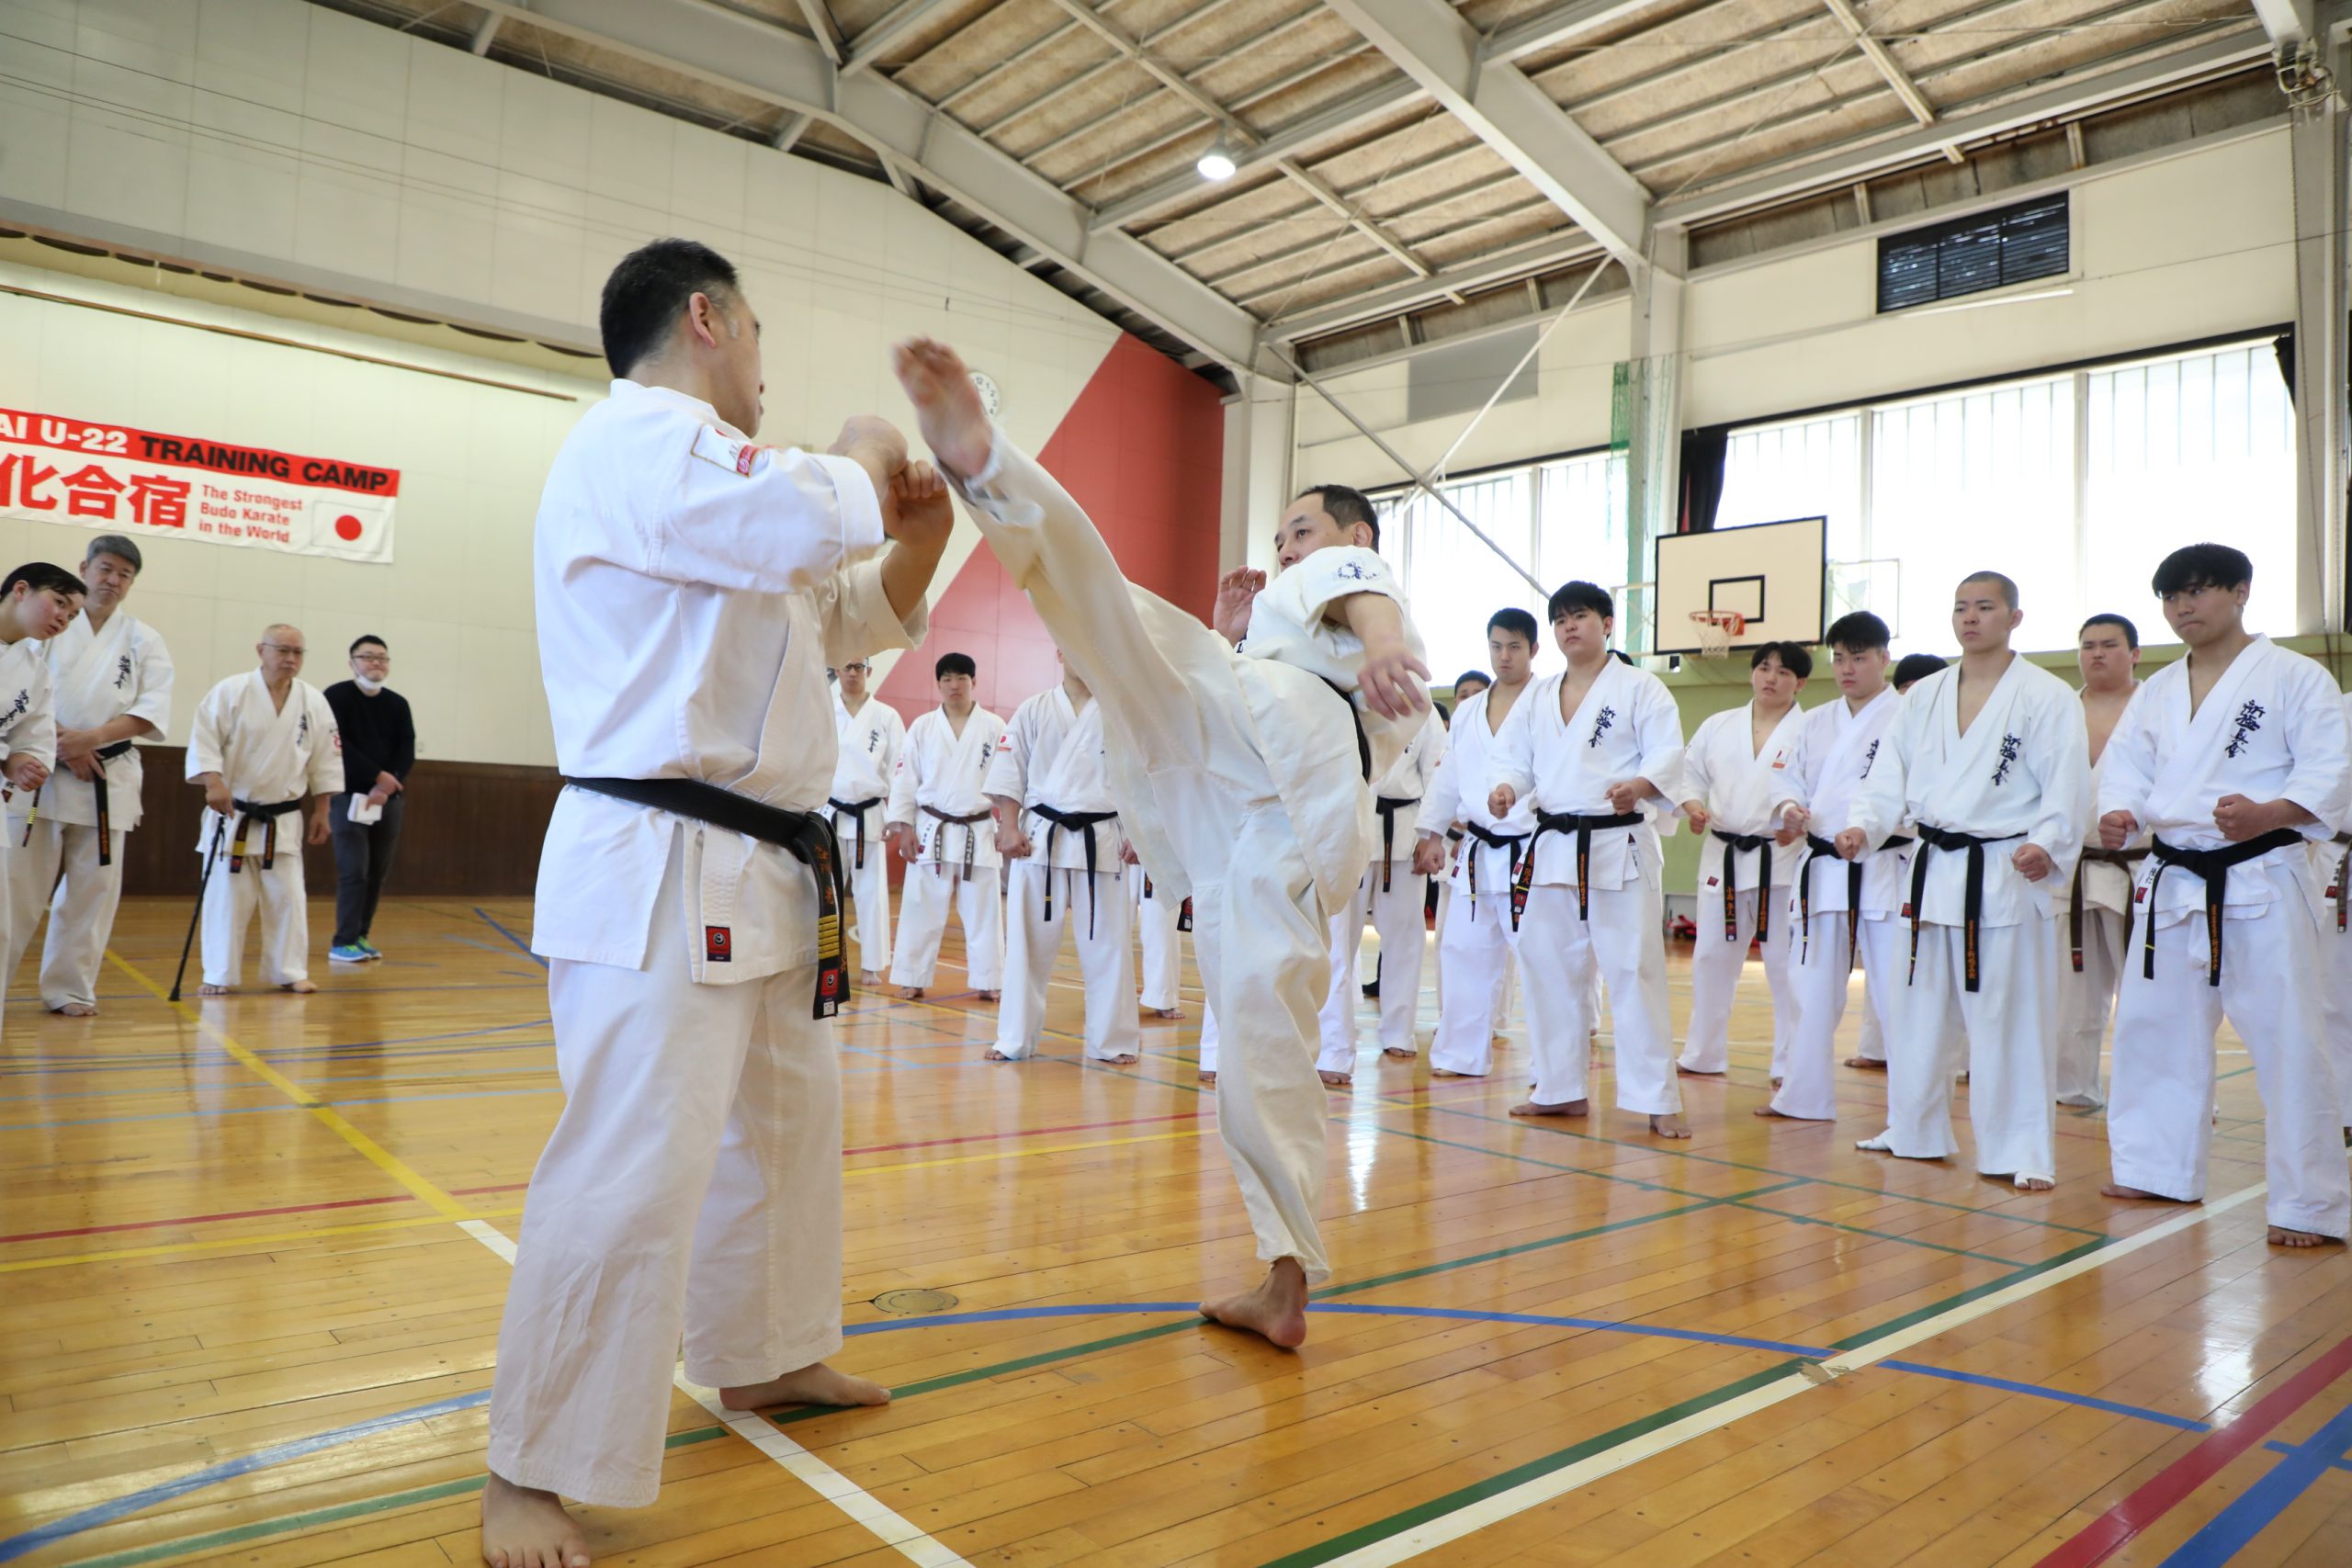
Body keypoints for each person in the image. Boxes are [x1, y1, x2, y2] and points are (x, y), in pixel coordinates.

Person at [481, 239, 945, 1568]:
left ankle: (769, 1351)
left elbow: (839, 615)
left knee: (786, 1134)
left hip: (769, 864)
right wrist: (867, 447)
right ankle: (531, 1465)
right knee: (632, 1164)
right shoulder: (643, 442)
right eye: (755, 335)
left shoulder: (719, 500)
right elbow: (808, 516)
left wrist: (919, 535)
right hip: (659, 855)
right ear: (706, 318)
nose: (762, 366)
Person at [895, 335, 1427, 1349]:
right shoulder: (1286, 625)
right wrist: (1230, 638)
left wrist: (1386, 638)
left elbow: (1364, 593)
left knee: (1118, 620)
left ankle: (989, 467)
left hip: (1279, 771)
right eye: (1283, 533)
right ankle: (1285, 1275)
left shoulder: (1355, 584)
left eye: (1302, 529)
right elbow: (1286, 646)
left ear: (1352, 533)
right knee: (1257, 1039)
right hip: (1252, 818)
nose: (1288, 547)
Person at [2098, 543, 2351, 1247]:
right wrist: (2120, 813)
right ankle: (2154, 1167)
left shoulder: (2295, 676)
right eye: (2171, 595)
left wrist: (2271, 812)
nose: (2183, 606)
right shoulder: (2155, 691)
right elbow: (2126, 770)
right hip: (2173, 878)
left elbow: (2330, 769)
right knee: (2152, 1029)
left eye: (2199, 590)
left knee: (2290, 1039)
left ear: (2240, 591)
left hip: (2261, 875)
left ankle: (2309, 1202)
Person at [1840, 571, 2088, 1190]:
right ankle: (1913, 1129)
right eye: (1960, 608)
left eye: (1984, 607)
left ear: (2014, 617)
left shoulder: (2046, 695)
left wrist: (2048, 842)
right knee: (1916, 1011)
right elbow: (1888, 775)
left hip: (2002, 870)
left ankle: (2020, 1149)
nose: (1970, 618)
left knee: (2009, 1018)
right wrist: (1864, 826)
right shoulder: (1923, 695)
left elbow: (2067, 782)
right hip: (1931, 870)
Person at [1487, 583, 1687, 1136]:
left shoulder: (1640, 688)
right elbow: (1514, 758)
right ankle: (1558, 1089)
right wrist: (1506, 788)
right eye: (1560, 620)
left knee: (1633, 970)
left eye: (1579, 616)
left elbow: (1667, 753)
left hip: (1617, 844)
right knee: (1547, 969)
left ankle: (1657, 1098)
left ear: (1607, 623)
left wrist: (1640, 786)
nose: (1569, 626)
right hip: (1553, 845)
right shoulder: (1537, 695)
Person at [3, 539, 168, 1017]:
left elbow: (152, 709)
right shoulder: (43, 624)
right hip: (38, 770)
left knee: (92, 893)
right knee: (18, 891)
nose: (113, 580)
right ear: (85, 568)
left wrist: (89, 740)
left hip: (106, 776)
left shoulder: (143, 640)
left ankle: (70, 988)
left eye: (125, 574)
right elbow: (26, 697)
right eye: (106, 568)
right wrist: (64, 745)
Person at [1764, 612, 1907, 1122]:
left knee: (1896, 990)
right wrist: (1789, 809)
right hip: (1824, 865)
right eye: (1840, 658)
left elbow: (1917, 792)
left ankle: (1911, 1115)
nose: (1847, 669)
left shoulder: (1907, 716)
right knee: (1809, 985)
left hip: (1885, 864)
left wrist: (1869, 829)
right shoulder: (1815, 721)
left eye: (1859, 658)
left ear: (1884, 658)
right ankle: (1802, 1096)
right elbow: (1786, 780)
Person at [985, 653, 1137, 1065]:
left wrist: (1142, 836)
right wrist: (1008, 826)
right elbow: (1010, 770)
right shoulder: (1032, 709)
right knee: (1026, 945)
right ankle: (1014, 1038)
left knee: (1109, 946)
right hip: (1039, 839)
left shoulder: (1121, 708)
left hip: (1104, 838)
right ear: (1058, 652)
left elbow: (1141, 776)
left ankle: (1113, 1040)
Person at [1676, 642, 1809, 1081]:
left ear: (1800, 683)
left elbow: (1822, 793)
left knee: (1784, 964)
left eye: (1783, 672)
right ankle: (1703, 1054)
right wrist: (1694, 807)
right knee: (1711, 957)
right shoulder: (1718, 725)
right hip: (1724, 856)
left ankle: (1790, 1063)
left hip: (1781, 859)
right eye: (1764, 668)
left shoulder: (1809, 731)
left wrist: (1800, 824)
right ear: (1752, 672)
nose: (1771, 678)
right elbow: (1688, 775)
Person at [184, 626, 341, 997]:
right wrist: (213, 782)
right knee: (227, 900)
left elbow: (326, 761)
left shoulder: (314, 701)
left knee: (289, 899)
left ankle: (289, 970)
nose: (291, 659)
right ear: (261, 650)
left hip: (282, 819)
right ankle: (219, 973)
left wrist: (323, 810)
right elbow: (204, 742)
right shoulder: (230, 691)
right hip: (233, 814)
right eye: (283, 650)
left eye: (298, 653)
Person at [1418, 618, 1536, 1077]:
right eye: (1496, 646)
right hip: (1477, 849)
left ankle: (1552, 1071)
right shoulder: (1468, 712)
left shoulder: (1548, 701)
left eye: (1514, 647)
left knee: (1539, 959)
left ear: (1533, 649)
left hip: (1531, 848)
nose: (1504, 656)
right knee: (1462, 951)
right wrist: (1432, 834)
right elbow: (1448, 776)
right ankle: (1459, 1055)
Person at [1317, 703, 1445, 1085]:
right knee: (1337, 944)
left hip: (1404, 834)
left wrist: (1431, 835)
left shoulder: (1421, 708)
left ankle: (1399, 1031)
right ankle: (1333, 1045)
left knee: (1405, 940)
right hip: (1348, 832)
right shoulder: (1343, 700)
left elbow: (1439, 775)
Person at [2055, 614, 2144, 1109]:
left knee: (2148, 988)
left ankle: (2154, 1092)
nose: (2096, 654)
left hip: (2137, 866)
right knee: (2073, 991)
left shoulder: (2158, 708)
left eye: (2109, 645)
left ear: (2134, 654)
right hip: (2070, 868)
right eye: (2087, 645)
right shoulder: (2059, 711)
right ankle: (2072, 1086)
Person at [886, 653, 1005, 1000]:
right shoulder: (923, 727)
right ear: (938, 684)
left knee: (984, 911)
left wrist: (1010, 826)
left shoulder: (995, 727)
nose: (955, 685)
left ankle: (989, 980)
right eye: (948, 679)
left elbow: (1009, 780)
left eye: (962, 678)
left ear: (974, 682)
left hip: (978, 829)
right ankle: (912, 977)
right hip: (931, 827)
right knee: (920, 908)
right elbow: (905, 779)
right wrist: (904, 828)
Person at [0, 565, 81, 1031]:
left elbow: (34, 737)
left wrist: (24, 762)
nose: (63, 619)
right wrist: (5, 758)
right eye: (60, 603)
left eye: (72, 615)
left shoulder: (33, 670)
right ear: (21, 590)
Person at [322, 635, 414, 964]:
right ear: (352, 663)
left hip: (387, 799)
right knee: (354, 871)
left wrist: (387, 785)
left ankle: (361, 935)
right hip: (348, 796)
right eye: (368, 656)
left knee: (377, 872)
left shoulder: (398, 703)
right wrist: (377, 776)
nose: (376, 663)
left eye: (382, 658)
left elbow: (406, 748)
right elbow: (338, 746)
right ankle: (342, 940)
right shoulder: (336, 696)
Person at [825, 658, 904, 984]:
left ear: (869, 671)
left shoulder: (886, 717)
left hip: (869, 814)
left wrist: (897, 816)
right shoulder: (824, 710)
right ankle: (823, 960)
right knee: (826, 892)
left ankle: (872, 964)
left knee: (871, 893)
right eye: (847, 666)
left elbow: (900, 768)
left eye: (859, 667)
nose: (853, 673)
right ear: (837, 670)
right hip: (829, 812)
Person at [1133, 855, 1189, 1021]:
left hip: (1157, 852)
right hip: (1116, 847)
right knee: (1112, 927)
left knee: (1161, 928)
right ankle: (1108, 999)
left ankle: (1163, 997)